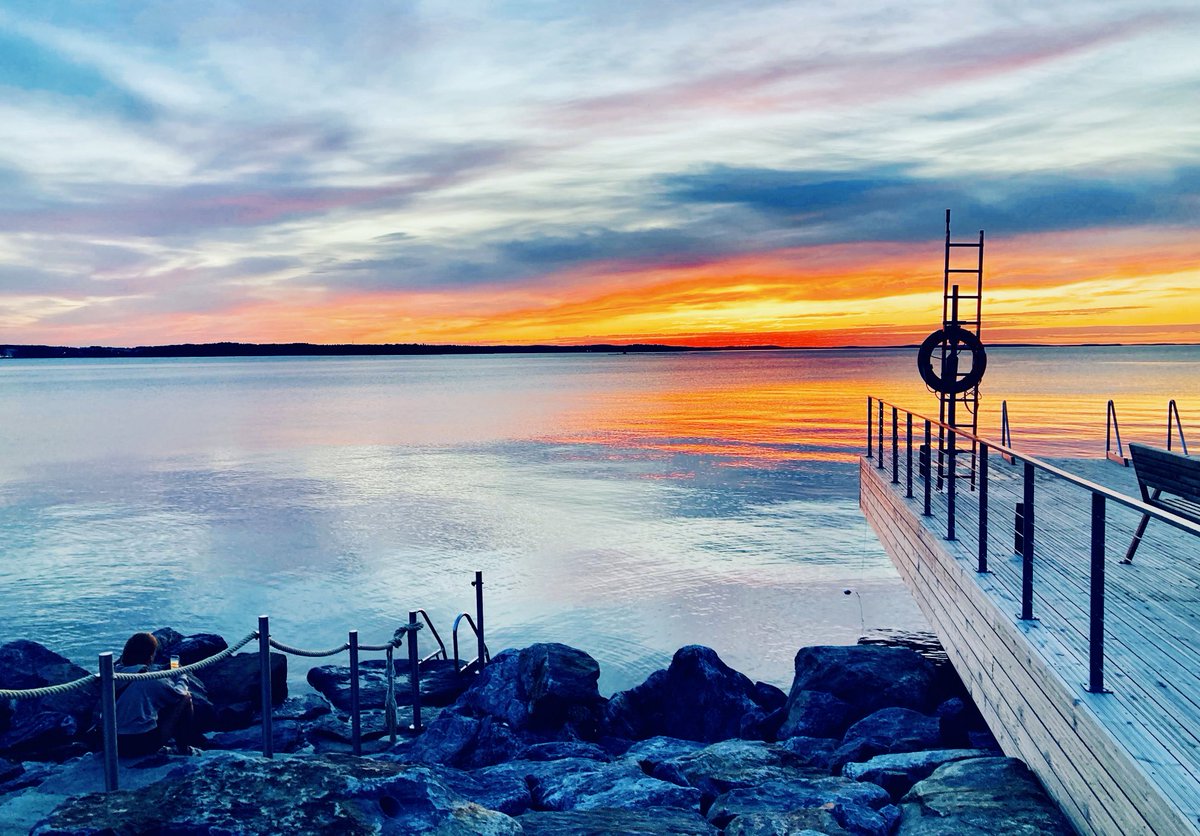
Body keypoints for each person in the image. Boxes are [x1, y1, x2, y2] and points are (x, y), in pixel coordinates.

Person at [112, 632, 201, 756]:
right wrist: (181, 673)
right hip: (137, 744)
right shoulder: (151, 680)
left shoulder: (113, 673)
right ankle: (183, 750)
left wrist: (160, 669)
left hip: (110, 742)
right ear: (150, 657)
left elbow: (136, 671)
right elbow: (178, 693)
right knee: (185, 698)